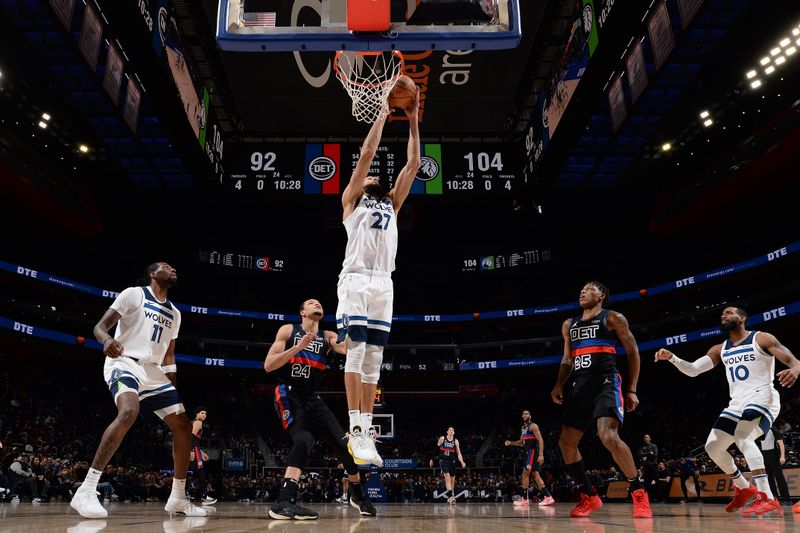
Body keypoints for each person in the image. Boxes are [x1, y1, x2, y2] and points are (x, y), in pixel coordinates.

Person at [70, 262, 205, 519]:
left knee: (184, 427)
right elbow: (99, 327)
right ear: (154, 274)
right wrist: (107, 340)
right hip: (124, 361)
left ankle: (177, 498)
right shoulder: (134, 293)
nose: (174, 269)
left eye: (175, 267)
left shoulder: (175, 313)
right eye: (167, 267)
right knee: (129, 411)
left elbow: (169, 355)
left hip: (154, 372)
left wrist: (173, 388)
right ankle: (86, 490)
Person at [336, 88, 421, 467]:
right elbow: (368, 154)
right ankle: (354, 427)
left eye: (374, 176)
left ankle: (367, 429)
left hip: (384, 282)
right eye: (369, 173)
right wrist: (385, 113)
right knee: (355, 351)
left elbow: (413, 165)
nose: (373, 173)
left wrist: (414, 116)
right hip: (355, 279)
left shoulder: (392, 203)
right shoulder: (352, 200)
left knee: (374, 359)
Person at [655, 306, 800, 517]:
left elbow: (792, 359)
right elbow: (694, 370)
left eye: (729, 312)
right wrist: (672, 358)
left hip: (762, 397)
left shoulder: (761, 339)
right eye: (722, 313)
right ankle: (743, 486)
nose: (724, 315)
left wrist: (795, 369)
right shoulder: (719, 349)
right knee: (713, 447)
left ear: (742, 318)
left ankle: (767, 497)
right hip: (737, 403)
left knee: (743, 437)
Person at [264, 299, 377, 520]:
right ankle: (283, 502)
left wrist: (355, 328)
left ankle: (357, 494)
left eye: (319, 303)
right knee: (304, 440)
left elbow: (346, 349)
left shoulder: (327, 336)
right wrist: (297, 348)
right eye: (310, 302)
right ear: (302, 312)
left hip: (312, 398)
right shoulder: (288, 330)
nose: (317, 304)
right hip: (289, 393)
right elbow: (268, 365)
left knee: (348, 446)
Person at [551, 281, 652, 518]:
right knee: (566, 443)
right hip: (579, 388)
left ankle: (639, 492)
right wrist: (558, 384)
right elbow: (567, 360)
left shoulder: (613, 318)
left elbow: (633, 352)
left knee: (608, 436)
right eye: (581, 289)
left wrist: (632, 389)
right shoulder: (569, 324)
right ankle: (590, 496)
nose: (582, 291)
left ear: (602, 295)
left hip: (605, 383)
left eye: (589, 288)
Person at [504, 410, 554, 507]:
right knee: (535, 475)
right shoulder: (523, 428)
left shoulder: (533, 426)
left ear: (530, 416)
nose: (525, 415)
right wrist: (511, 442)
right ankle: (548, 497)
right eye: (523, 413)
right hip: (528, 453)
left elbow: (541, 440)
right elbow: (522, 443)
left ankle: (525, 499)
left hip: (532, 453)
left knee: (524, 474)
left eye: (527, 413)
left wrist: (541, 454)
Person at [430, 426, 466, 504]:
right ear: (447, 432)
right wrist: (432, 459)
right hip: (443, 460)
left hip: (452, 461)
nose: (451, 430)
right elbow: (436, 449)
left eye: (452, 429)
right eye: (449, 429)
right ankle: (451, 497)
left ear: (454, 432)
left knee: (452, 480)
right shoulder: (443, 438)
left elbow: (459, 453)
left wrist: (462, 462)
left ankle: (451, 496)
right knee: (447, 477)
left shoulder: (456, 441)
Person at [190, 407, 217, 505]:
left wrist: (202, 453)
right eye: (202, 413)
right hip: (193, 449)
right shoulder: (198, 422)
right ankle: (203, 497)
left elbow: (195, 441)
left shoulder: (195, 422)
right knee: (200, 472)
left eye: (205, 413)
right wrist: (192, 450)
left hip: (195, 449)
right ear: (197, 414)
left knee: (197, 472)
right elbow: (191, 437)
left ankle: (192, 493)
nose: (204, 415)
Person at [758, 427, 790, 505]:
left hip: (773, 454)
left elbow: (781, 443)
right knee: (769, 478)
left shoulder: (773, 429)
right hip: (764, 455)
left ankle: (786, 499)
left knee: (779, 477)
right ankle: (774, 498)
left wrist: (782, 456)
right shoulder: (760, 430)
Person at [639, 434, 659, 499]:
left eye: (647, 437)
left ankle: (660, 497)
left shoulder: (653, 446)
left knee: (657, 481)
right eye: (645, 437)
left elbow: (655, 455)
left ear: (650, 438)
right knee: (647, 483)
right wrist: (649, 453)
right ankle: (648, 498)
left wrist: (646, 455)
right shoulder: (642, 447)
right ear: (644, 439)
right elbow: (640, 455)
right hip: (646, 467)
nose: (646, 438)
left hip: (653, 466)